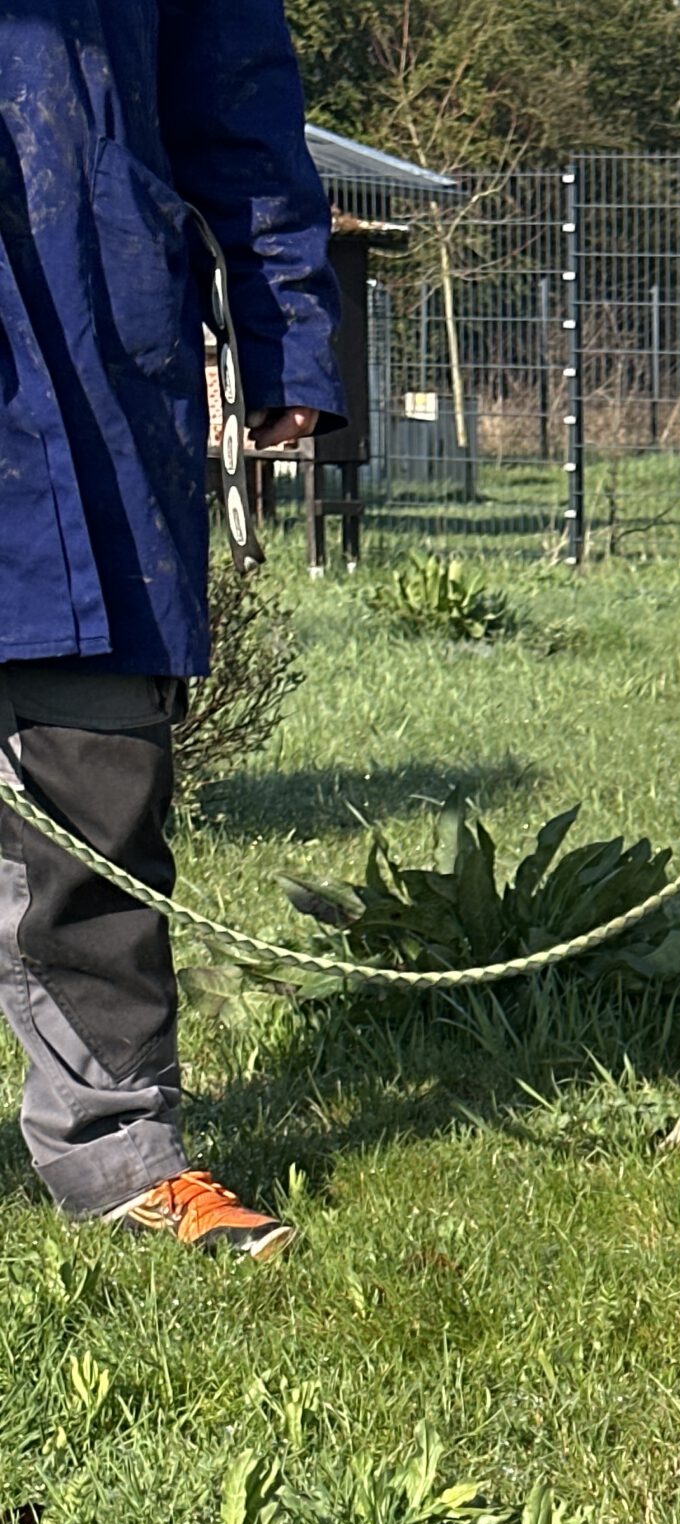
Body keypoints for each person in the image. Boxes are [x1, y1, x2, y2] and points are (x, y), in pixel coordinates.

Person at [0, 3, 344, 1260]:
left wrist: (287, 326)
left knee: (97, 796)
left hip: (87, 366)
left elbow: (237, 96)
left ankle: (123, 1156)